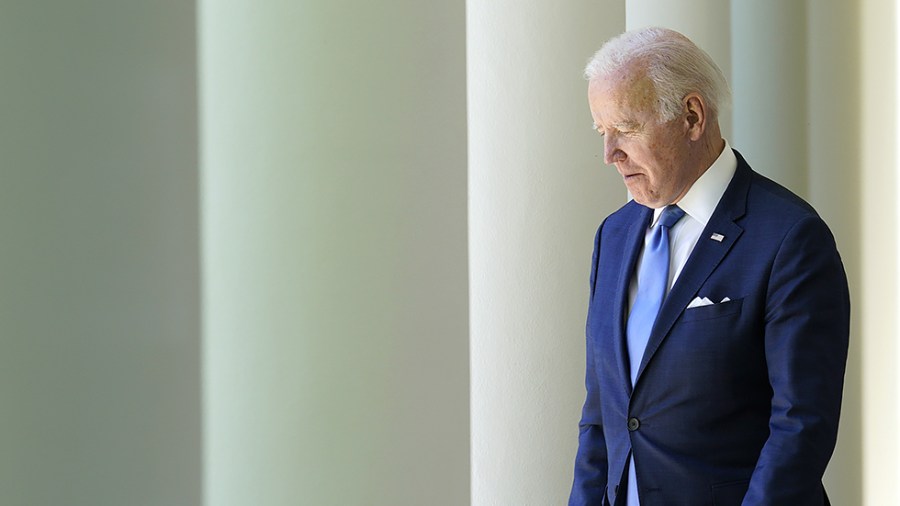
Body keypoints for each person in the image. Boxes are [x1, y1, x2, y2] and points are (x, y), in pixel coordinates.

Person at [569, 27, 850, 506]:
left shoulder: (790, 237)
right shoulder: (612, 237)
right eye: (603, 132)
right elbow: (601, 416)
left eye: (627, 128)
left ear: (692, 116)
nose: (609, 154)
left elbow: (800, 428)